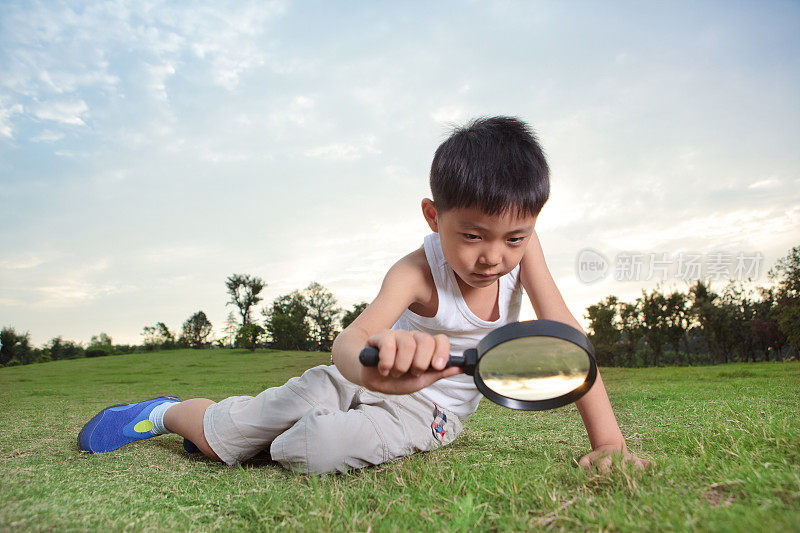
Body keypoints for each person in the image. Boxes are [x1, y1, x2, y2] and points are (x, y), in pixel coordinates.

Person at [78, 116, 650, 474]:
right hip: (356, 381)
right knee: (237, 430)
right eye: (473, 235)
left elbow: (569, 344)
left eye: (514, 238)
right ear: (434, 216)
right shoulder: (415, 271)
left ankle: (261, 440)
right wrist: (371, 372)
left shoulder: (526, 257)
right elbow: (348, 343)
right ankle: (164, 412)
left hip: (428, 414)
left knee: (309, 448)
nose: (493, 257)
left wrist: (609, 441)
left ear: (531, 228)